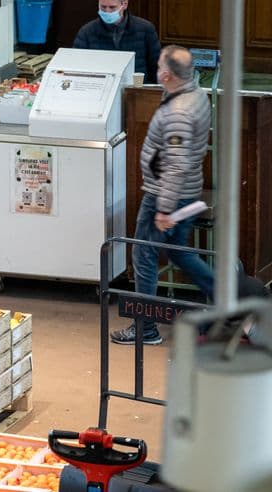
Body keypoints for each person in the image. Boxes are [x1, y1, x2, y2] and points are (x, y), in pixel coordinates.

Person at [112, 45, 214, 346]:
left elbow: (177, 163)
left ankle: (146, 328)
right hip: (186, 191)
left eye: (159, 65)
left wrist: (164, 209)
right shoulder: (196, 94)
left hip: (166, 195)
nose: (156, 69)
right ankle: (226, 296)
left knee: (143, 254)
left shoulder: (179, 111)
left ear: (167, 74)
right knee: (178, 251)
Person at [74, 0, 161, 77]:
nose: (107, 11)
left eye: (112, 7)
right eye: (103, 7)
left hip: (137, 89)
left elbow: (156, 66)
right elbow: (76, 67)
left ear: (124, 4)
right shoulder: (87, 32)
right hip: (101, 89)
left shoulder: (145, 29)